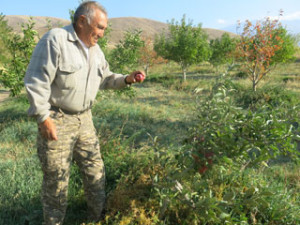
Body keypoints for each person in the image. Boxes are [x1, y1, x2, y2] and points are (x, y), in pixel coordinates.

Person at [24, 1, 145, 224]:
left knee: (95, 172)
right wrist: (43, 118)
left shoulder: (95, 51)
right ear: (82, 21)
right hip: (57, 118)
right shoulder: (56, 39)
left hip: (85, 120)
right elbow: (35, 81)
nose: (102, 33)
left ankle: (96, 219)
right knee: (56, 181)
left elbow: (107, 78)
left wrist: (127, 79)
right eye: (99, 27)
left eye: (104, 29)